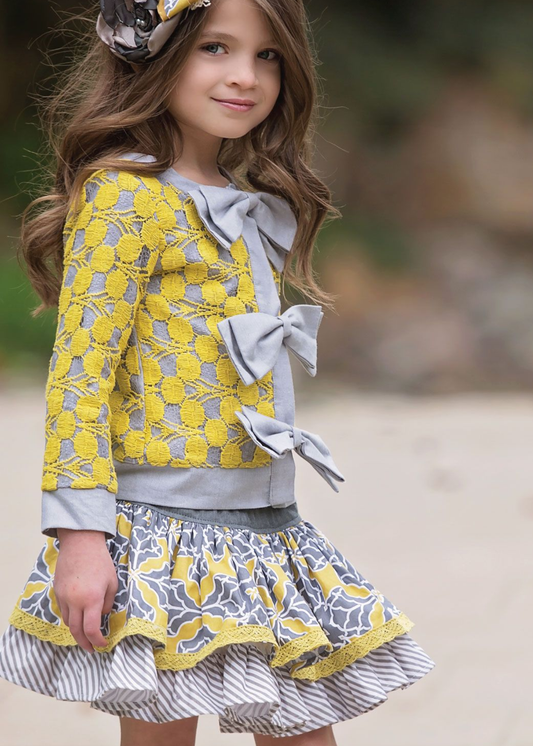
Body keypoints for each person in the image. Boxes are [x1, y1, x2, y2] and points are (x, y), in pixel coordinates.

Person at [0, 0, 436, 743]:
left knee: (302, 724)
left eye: (268, 56)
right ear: (157, 52)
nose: (245, 76)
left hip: (266, 527)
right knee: (164, 734)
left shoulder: (243, 202)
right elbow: (80, 378)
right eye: (215, 48)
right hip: (159, 532)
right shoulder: (124, 196)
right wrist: (80, 536)